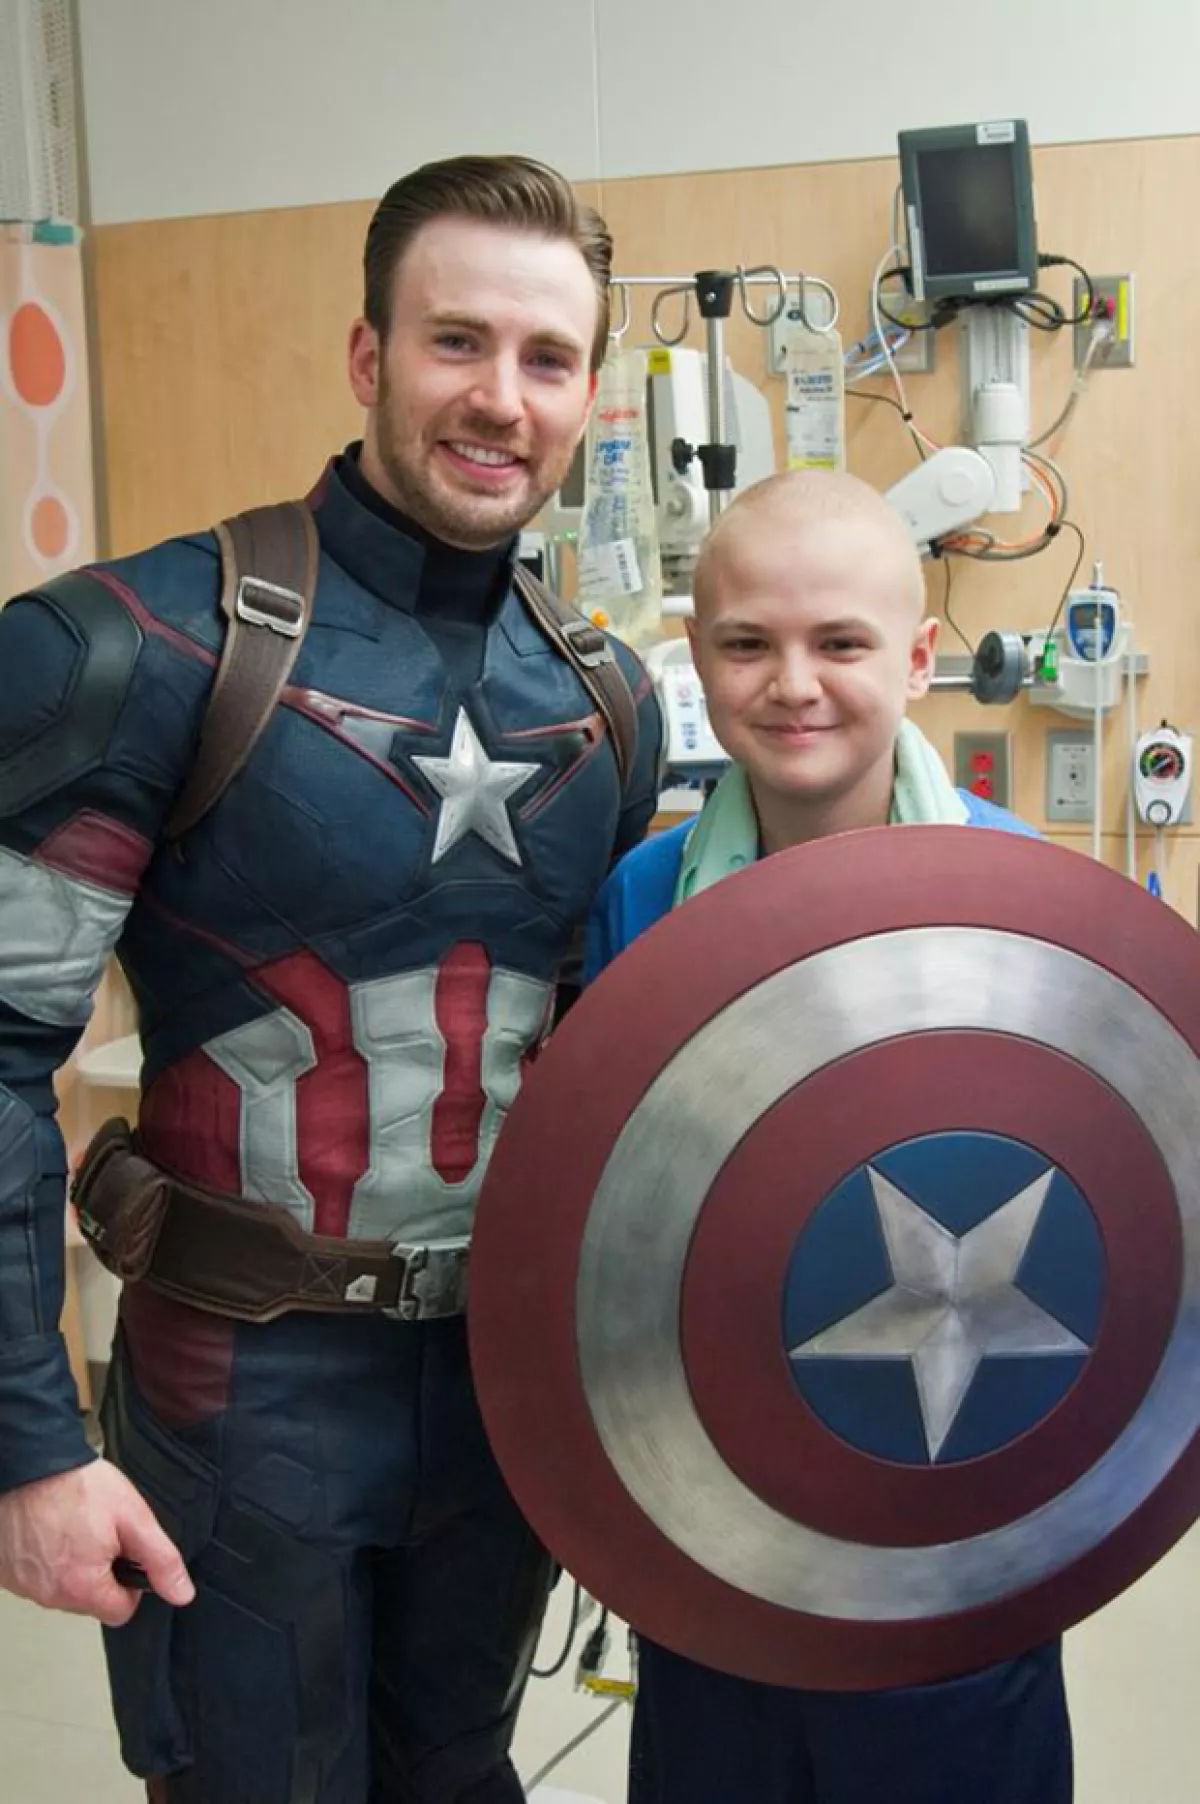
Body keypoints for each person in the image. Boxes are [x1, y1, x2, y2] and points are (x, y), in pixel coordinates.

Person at [0, 154, 662, 1802]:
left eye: (546, 358)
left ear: (587, 393)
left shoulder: (611, 712)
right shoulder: (132, 650)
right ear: (368, 358)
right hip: (238, 1406)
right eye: (455, 342)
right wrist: (29, 1446)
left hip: (498, 1420)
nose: (498, 399)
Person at [584, 469, 1072, 1804]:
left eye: (841, 642)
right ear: (699, 656)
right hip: (719, 1499)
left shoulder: (1026, 899)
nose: (794, 683)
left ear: (917, 659)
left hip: (961, 1498)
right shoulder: (643, 901)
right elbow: (602, 1203)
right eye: (749, 642)